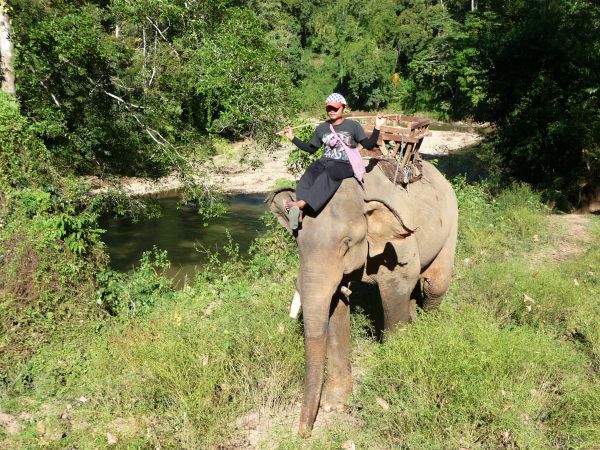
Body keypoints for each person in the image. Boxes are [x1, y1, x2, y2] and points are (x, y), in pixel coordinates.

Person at [283, 93, 386, 230]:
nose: (331, 111)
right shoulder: (322, 128)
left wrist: (377, 126)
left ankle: (301, 204)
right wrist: (292, 138)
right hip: (326, 161)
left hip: (345, 163)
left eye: (335, 108)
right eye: (329, 109)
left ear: (343, 108)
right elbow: (311, 149)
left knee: (329, 173)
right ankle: (300, 212)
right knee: (310, 173)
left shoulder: (353, 126)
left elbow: (369, 145)